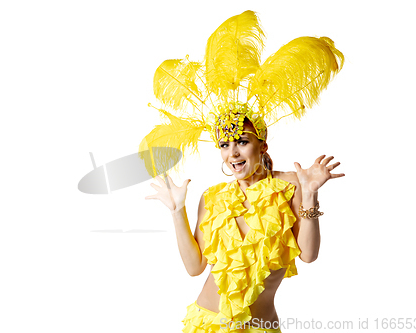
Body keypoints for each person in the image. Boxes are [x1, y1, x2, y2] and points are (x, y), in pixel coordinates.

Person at [140, 10, 345, 333]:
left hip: (259, 326)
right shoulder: (213, 197)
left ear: (262, 145)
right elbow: (195, 268)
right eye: (224, 145)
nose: (232, 152)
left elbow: (308, 255)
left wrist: (311, 193)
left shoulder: (290, 186)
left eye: (242, 142)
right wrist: (177, 211)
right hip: (205, 323)